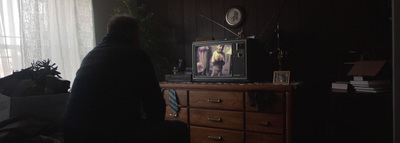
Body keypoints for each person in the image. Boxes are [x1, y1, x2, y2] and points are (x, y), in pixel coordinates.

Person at [61, 14, 189, 143]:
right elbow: (154, 104)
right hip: (108, 132)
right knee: (179, 128)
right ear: (132, 34)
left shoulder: (91, 55)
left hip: (72, 132)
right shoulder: (136, 55)